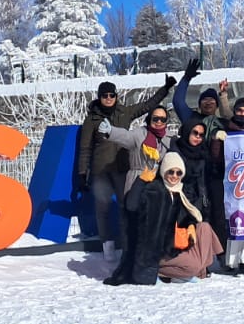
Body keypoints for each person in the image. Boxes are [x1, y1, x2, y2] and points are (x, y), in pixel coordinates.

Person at [73, 76, 174, 256]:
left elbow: (147, 106)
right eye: (105, 95)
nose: (109, 98)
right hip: (101, 170)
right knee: (102, 208)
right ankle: (108, 245)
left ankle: (127, 243)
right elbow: (85, 147)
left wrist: (165, 89)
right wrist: (82, 172)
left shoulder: (124, 112)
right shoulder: (91, 120)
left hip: (122, 168)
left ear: (116, 96)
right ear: (99, 97)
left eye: (112, 94)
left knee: (125, 205)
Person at [105, 152, 222, 286]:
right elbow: (131, 206)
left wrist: (190, 224)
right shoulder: (154, 190)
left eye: (178, 173)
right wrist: (141, 181)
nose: (174, 176)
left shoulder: (181, 192)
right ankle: (167, 271)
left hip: (176, 243)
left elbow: (186, 216)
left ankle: (192, 269)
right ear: (164, 171)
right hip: (158, 250)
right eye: (171, 172)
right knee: (195, 265)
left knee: (204, 227)